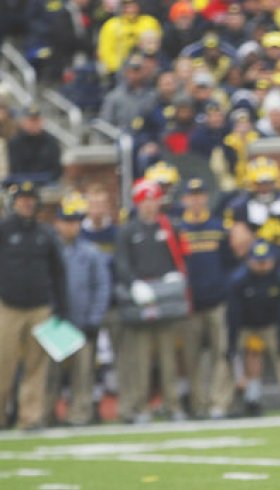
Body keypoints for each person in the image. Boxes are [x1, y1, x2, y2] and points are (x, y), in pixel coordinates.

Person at [114, 179, 190, 423]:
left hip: (165, 297)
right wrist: (133, 283)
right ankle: (141, 407)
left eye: (152, 200)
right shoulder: (128, 230)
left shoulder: (168, 227)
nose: (149, 206)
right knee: (140, 359)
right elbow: (121, 263)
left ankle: (173, 404)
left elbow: (178, 259)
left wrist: (174, 278)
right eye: (144, 201)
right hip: (140, 299)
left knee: (169, 357)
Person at [0, 181, 67, 430]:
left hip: (40, 306)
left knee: (36, 365)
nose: (27, 203)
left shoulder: (45, 233)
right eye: (22, 199)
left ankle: (30, 417)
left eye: (31, 199)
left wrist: (61, 307)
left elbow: (58, 272)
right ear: (14, 202)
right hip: (8, 306)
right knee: (2, 364)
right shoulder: (4, 230)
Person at [47, 192, 111, 426]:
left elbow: (102, 286)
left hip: (82, 322)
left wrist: (94, 319)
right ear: (57, 224)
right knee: (50, 374)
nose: (70, 227)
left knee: (83, 374)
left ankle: (80, 414)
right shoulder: (50, 250)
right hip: (55, 322)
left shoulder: (91, 252)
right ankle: (46, 413)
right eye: (66, 222)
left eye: (74, 222)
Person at [226, 239, 280, 416]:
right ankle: (219, 405)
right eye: (259, 261)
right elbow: (233, 314)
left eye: (266, 261)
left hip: (270, 324)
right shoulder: (238, 279)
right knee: (224, 357)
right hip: (243, 325)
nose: (263, 265)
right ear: (250, 261)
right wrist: (232, 344)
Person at [177, 179, 235, 418]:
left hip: (218, 301)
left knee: (222, 353)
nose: (197, 199)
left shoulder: (218, 226)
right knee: (192, 357)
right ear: (185, 200)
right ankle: (198, 403)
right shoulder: (179, 229)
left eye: (201, 194)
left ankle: (219, 403)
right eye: (192, 195)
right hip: (190, 303)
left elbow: (229, 263)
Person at [7, 105, 62, 183]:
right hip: (22, 183)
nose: (34, 124)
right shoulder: (15, 142)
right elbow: (14, 170)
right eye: (31, 120)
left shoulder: (51, 141)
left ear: (42, 121)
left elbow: (56, 170)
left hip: (47, 184)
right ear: (23, 122)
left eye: (37, 120)